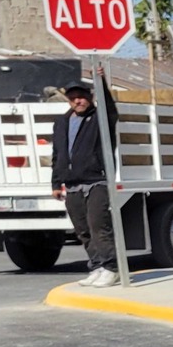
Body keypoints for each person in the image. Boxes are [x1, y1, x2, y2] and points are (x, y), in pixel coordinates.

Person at [50, 78, 119, 286]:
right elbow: (58, 154)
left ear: (90, 97)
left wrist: (101, 81)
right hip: (72, 184)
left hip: (96, 180)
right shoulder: (62, 122)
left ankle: (111, 268)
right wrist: (56, 183)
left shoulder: (99, 118)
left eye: (81, 97)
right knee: (83, 230)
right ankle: (97, 266)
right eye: (73, 98)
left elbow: (109, 108)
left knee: (99, 226)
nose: (77, 101)